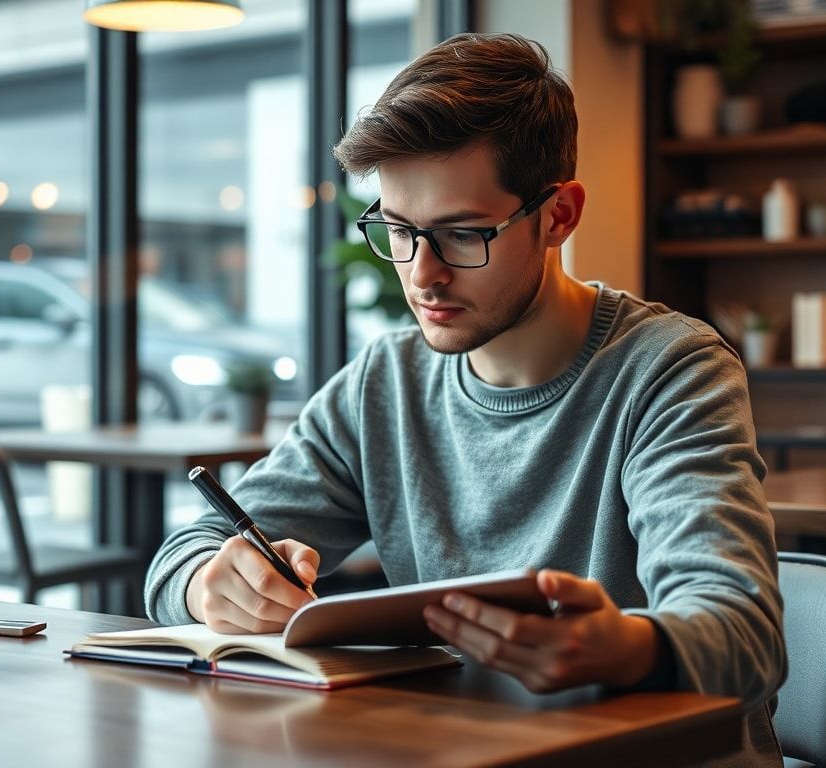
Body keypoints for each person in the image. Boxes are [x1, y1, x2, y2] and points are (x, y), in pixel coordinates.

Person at [145, 32, 785, 764]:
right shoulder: (383, 383)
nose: (422, 275)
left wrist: (628, 648)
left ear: (559, 216)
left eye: (461, 234)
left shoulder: (670, 371)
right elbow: (185, 550)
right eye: (399, 230)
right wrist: (212, 585)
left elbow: (746, 636)